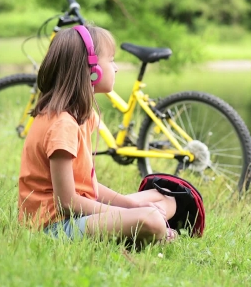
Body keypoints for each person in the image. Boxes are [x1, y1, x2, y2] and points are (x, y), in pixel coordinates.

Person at [18, 25, 177, 245]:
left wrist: (131, 206)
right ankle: (152, 229)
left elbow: (89, 186)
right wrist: (131, 212)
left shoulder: (83, 115)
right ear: (91, 69)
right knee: (151, 220)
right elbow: (67, 203)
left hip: (82, 213)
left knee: (167, 197)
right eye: (111, 60)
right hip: (56, 227)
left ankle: (145, 225)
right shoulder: (62, 125)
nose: (116, 68)